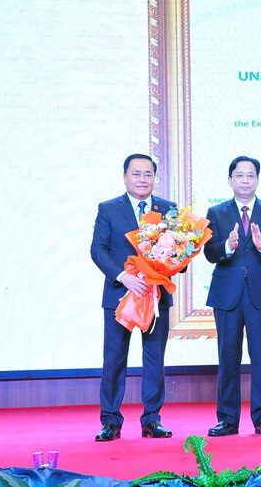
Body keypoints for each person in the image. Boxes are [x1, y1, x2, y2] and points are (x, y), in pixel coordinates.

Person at [90, 153, 176, 441]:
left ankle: (152, 419)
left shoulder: (168, 210)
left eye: (148, 174)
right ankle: (111, 422)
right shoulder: (109, 209)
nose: (142, 179)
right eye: (136, 174)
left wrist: (172, 263)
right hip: (120, 294)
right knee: (114, 359)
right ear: (125, 176)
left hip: (155, 296)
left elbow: (179, 253)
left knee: (155, 359)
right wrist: (123, 276)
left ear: (155, 177)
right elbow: (98, 250)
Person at [204, 156, 261, 437]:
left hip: (260, 293)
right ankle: (227, 419)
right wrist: (227, 247)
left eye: (250, 176)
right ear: (230, 180)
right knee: (227, 355)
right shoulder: (216, 212)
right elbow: (209, 253)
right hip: (227, 293)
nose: (245, 180)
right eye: (239, 176)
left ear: (257, 180)